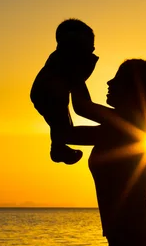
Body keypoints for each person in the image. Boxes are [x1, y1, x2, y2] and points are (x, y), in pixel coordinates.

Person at [66, 59, 146, 246]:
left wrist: (72, 69)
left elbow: (82, 107)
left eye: (118, 80)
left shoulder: (133, 124)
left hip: (133, 239)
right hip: (126, 239)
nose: (109, 83)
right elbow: (68, 134)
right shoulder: (120, 128)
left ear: (134, 90)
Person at [30, 19, 98, 165]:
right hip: (49, 93)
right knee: (61, 124)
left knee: (59, 123)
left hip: (50, 93)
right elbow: (82, 102)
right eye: (88, 44)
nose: (91, 49)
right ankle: (58, 149)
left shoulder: (67, 58)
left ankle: (58, 148)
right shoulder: (66, 58)